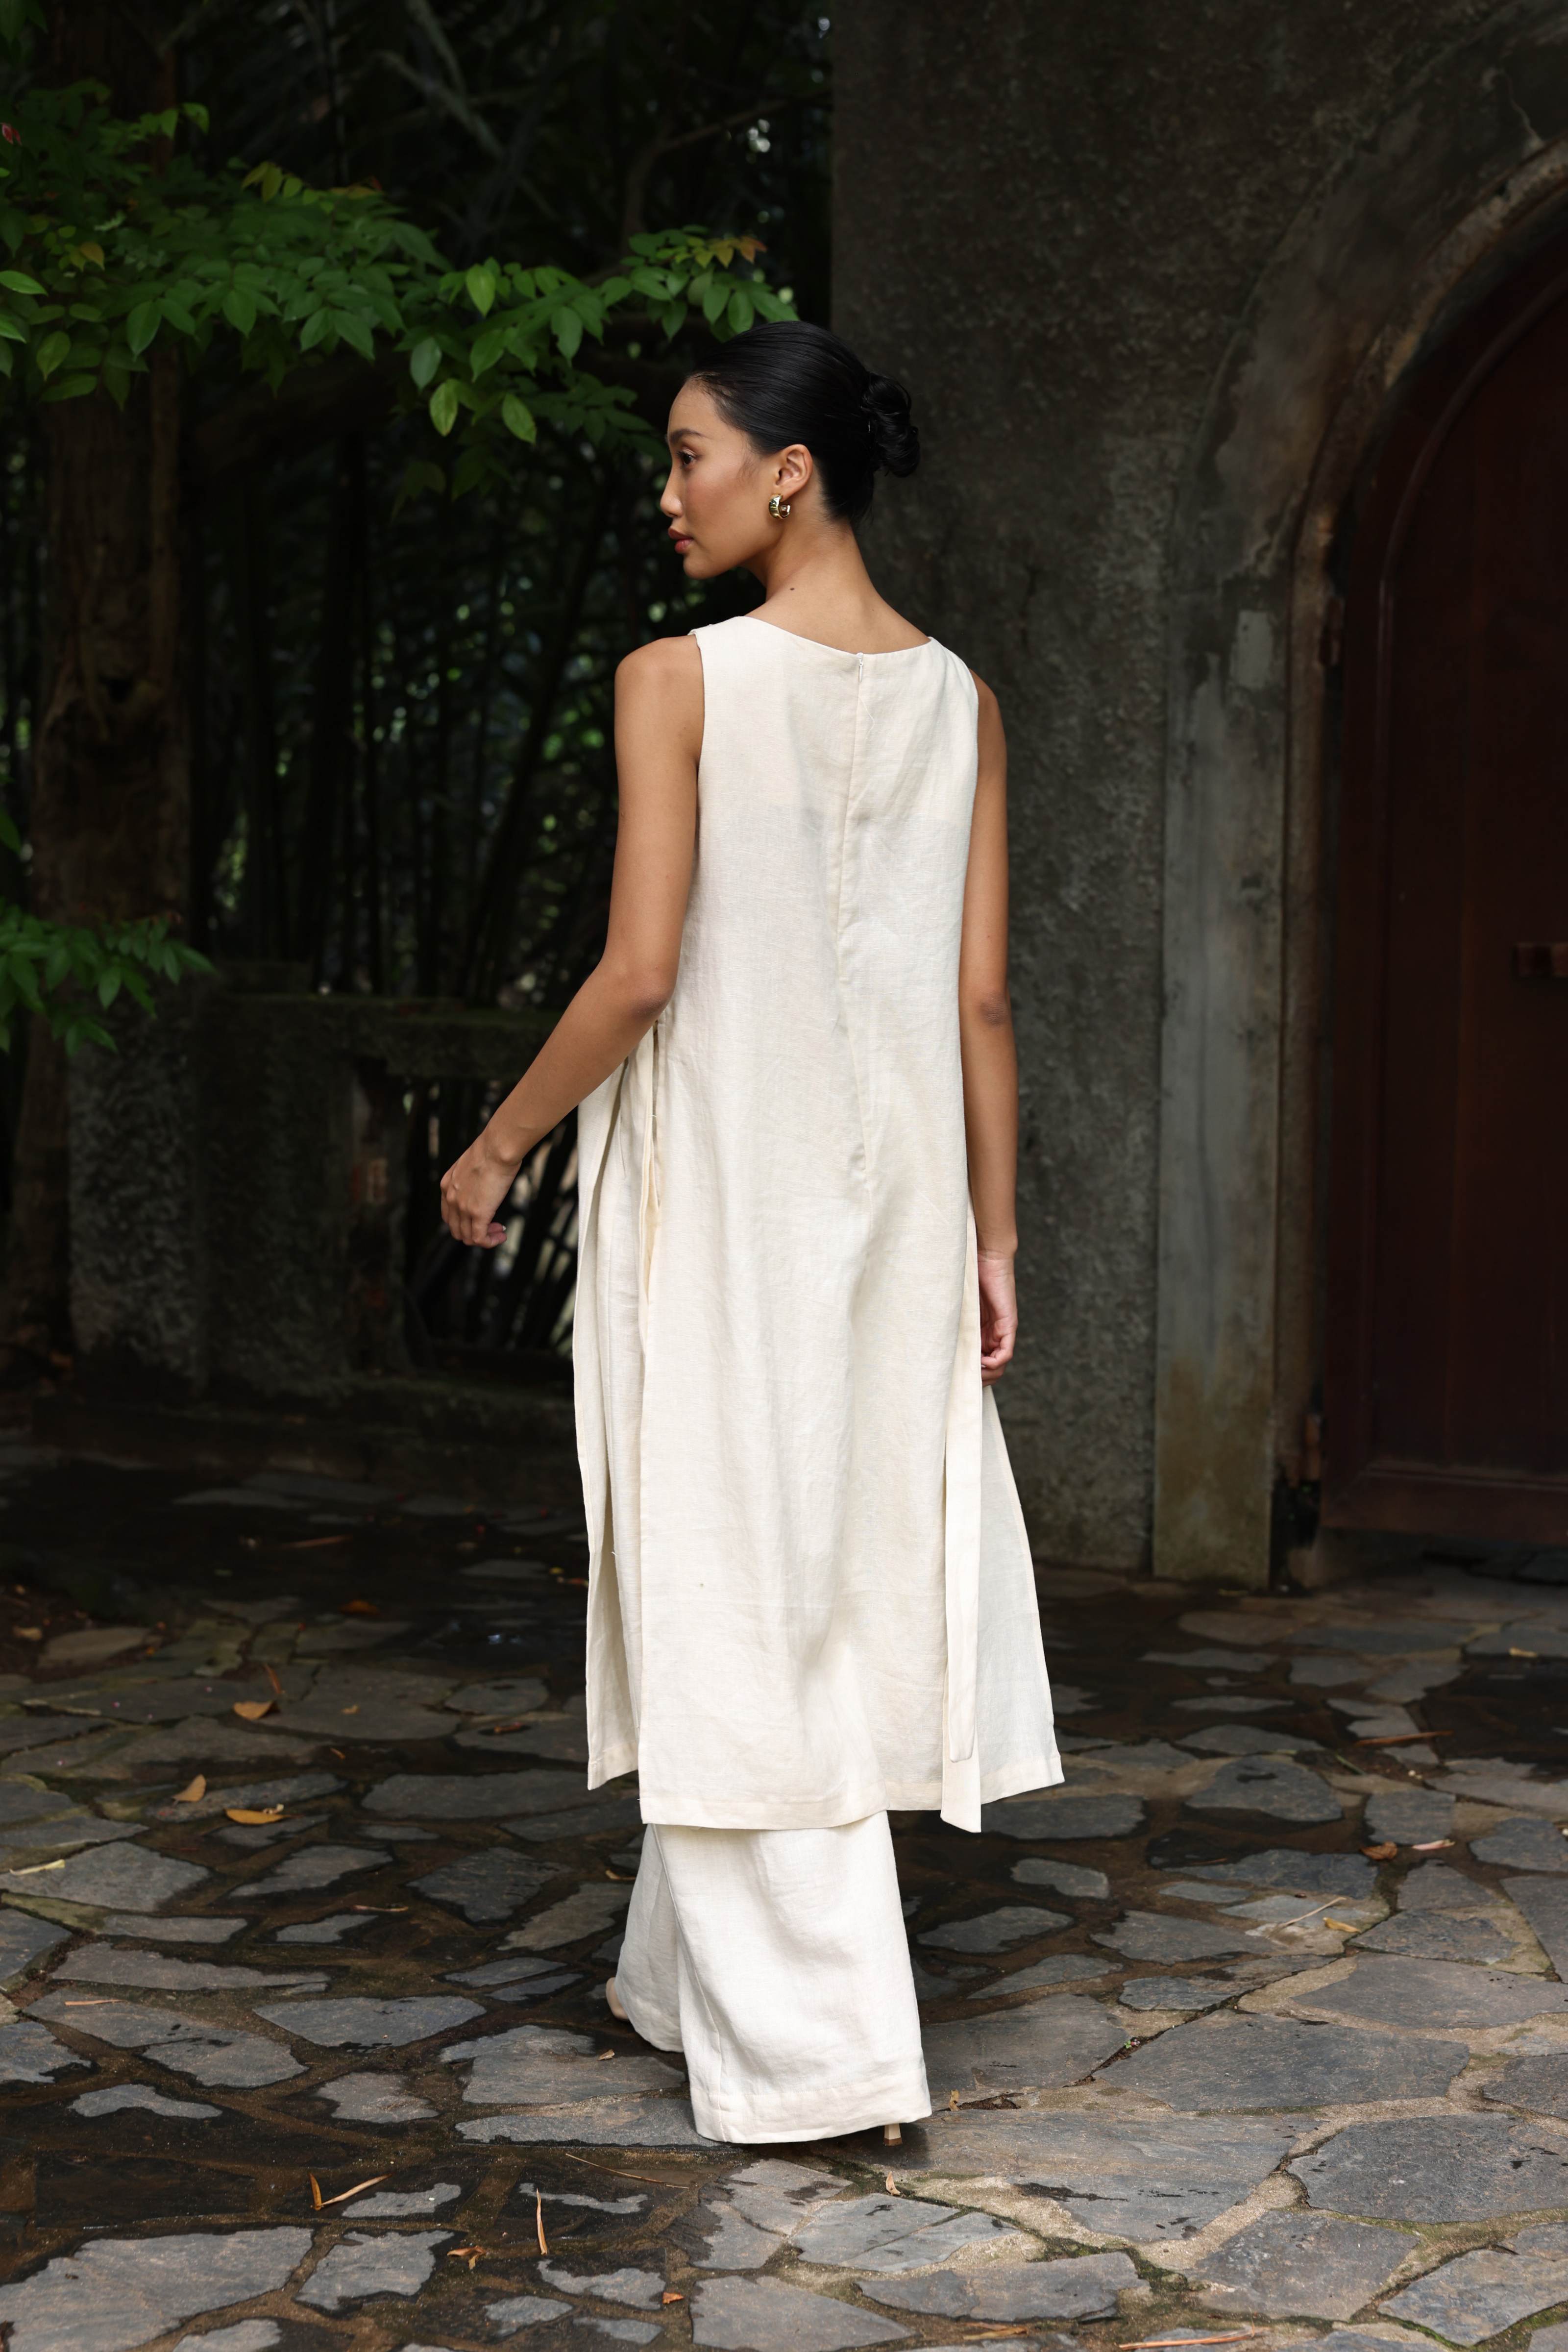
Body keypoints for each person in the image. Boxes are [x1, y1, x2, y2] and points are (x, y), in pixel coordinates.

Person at [439, 319, 1060, 2146]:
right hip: (894, 1212)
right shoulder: (964, 700)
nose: (669, 491)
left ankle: (825, 2057)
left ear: (788, 471)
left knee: (726, 1574)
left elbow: (638, 976)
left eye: (689, 455)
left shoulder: (679, 679)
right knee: (822, 1561)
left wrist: (496, 1147)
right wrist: (995, 1238)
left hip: (724, 1186)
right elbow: (986, 1009)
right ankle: (673, 1978)